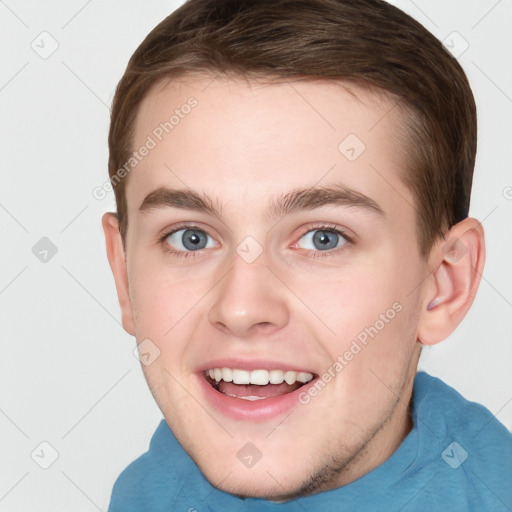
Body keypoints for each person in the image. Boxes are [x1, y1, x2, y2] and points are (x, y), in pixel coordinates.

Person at [101, 0, 512, 510]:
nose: (241, 309)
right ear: (123, 274)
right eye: (191, 237)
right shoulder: (150, 488)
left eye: (324, 238)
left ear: (442, 286)